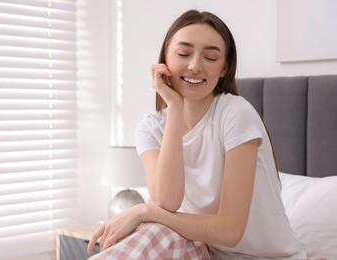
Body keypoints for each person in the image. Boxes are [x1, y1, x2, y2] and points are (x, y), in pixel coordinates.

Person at [87, 9, 306, 259]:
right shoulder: (150, 127)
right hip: (204, 252)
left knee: (154, 224)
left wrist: (143, 211)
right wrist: (175, 107)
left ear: (224, 69)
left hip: (265, 257)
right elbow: (168, 201)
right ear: (165, 59)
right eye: (183, 53)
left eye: (211, 58)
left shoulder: (235, 113)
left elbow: (230, 231)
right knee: (156, 232)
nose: (194, 66)